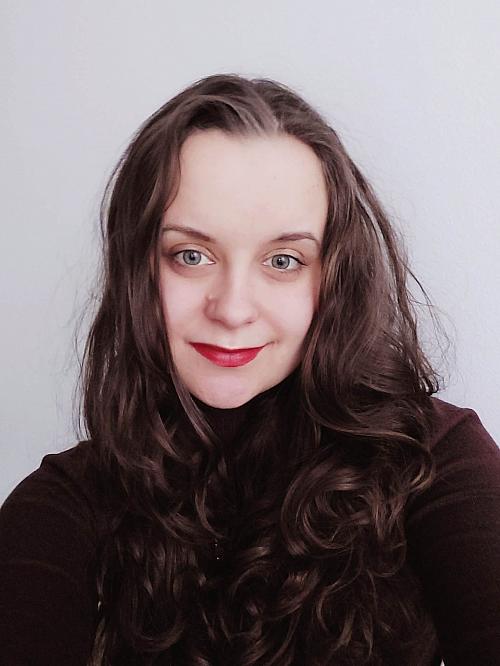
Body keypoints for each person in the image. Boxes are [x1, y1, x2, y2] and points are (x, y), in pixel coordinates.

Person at [0, 73, 499, 666]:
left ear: (334, 277)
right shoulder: (62, 506)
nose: (233, 309)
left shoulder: (435, 460)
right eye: (191, 255)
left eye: (283, 260)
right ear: (137, 269)